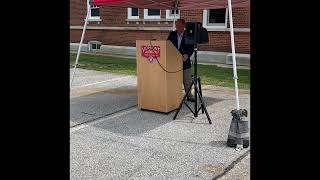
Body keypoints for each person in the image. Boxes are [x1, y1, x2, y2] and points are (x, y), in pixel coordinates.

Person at [167, 19, 195, 102]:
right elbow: (167, 44)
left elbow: (191, 47)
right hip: (174, 61)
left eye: (179, 26)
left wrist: (187, 54)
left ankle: (189, 95)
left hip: (184, 61)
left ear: (184, 26)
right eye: (176, 26)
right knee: (173, 79)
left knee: (187, 80)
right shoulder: (172, 34)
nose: (178, 27)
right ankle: (174, 94)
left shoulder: (188, 34)